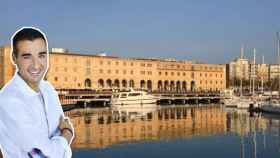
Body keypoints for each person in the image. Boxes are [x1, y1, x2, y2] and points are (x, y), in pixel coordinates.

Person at [0, 27, 74, 158]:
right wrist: (67, 133)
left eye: (41, 55)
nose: (36, 65)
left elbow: (57, 138)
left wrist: (57, 143)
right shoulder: (9, 101)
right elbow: (44, 155)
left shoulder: (49, 89)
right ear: (14, 58)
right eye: (27, 56)